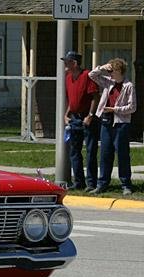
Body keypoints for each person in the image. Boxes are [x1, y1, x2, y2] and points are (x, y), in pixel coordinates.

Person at [88, 58, 137, 195]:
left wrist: (115, 109)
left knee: (122, 154)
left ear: (119, 71)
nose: (110, 74)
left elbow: (132, 107)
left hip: (120, 123)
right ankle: (102, 183)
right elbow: (91, 75)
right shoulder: (108, 82)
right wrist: (103, 67)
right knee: (105, 153)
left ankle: (126, 184)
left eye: (113, 71)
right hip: (106, 121)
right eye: (109, 72)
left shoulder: (128, 86)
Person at [61, 51, 100, 191]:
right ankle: (78, 182)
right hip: (74, 118)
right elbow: (72, 100)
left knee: (90, 151)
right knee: (74, 151)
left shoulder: (87, 76)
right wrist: (66, 115)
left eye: (67, 61)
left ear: (75, 63)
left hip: (87, 118)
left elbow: (95, 97)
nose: (65, 64)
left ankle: (91, 183)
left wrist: (90, 115)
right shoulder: (68, 77)